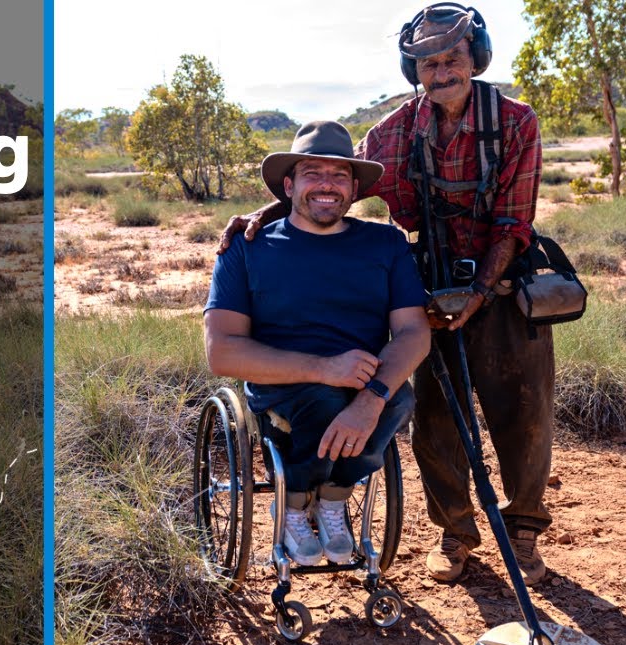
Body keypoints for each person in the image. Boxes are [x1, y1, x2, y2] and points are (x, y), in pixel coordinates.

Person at [220, 3, 553, 584]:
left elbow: (514, 223)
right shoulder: (391, 133)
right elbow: (330, 184)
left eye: (452, 58)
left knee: (522, 411)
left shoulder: (516, 122)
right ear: (413, 69)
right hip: (427, 284)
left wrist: (477, 291)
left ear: (475, 58)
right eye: (427, 62)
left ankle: (523, 533)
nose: (441, 70)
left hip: (501, 280)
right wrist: (264, 214)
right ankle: (456, 535)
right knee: (432, 417)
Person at [204, 120, 431, 566]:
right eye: (313, 172)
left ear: (353, 188)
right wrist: (325, 369)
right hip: (283, 385)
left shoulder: (385, 244)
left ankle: (332, 498)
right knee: (326, 398)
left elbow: (413, 332)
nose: (327, 185)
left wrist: (370, 399)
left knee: (399, 402)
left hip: (364, 379)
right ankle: (290, 506)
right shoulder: (248, 248)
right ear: (288, 185)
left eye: (339, 175)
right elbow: (222, 351)